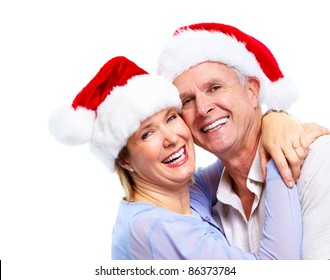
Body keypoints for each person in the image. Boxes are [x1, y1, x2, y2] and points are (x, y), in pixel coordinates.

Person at [48, 56, 302, 260]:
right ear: (124, 160)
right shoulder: (158, 227)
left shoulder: (185, 196)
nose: (171, 138)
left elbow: (240, 155)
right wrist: (280, 155)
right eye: (147, 134)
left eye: (171, 117)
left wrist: (274, 119)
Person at [157, 22, 330, 259]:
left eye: (215, 87)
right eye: (187, 101)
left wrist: (276, 114)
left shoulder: (318, 163)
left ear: (251, 91)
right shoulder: (203, 200)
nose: (203, 108)